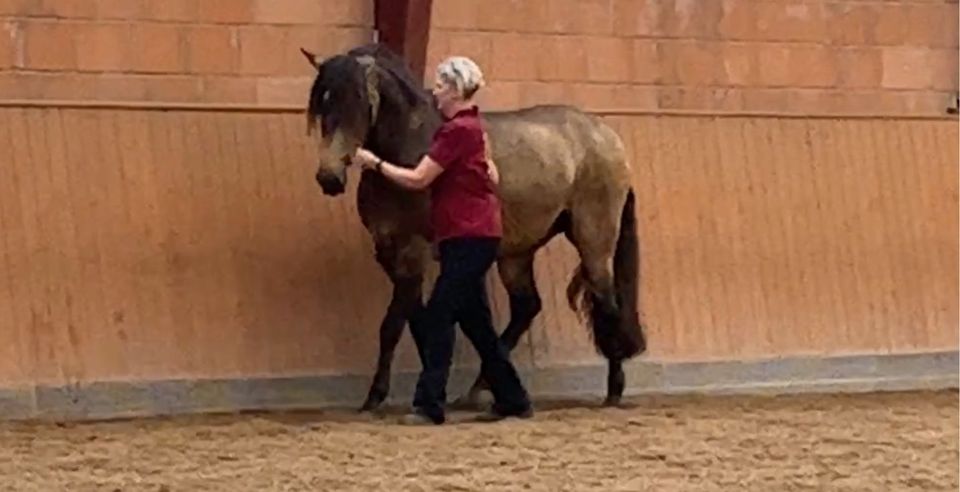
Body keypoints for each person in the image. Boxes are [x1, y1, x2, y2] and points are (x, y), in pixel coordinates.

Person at [351, 56, 532, 425]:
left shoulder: (455, 132)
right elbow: (494, 176)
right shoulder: (475, 129)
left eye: (439, 85)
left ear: (454, 89)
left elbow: (419, 179)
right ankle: (513, 398)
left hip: (467, 236)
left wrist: (374, 164)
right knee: (477, 325)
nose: (434, 92)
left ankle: (429, 404)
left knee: (438, 317)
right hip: (472, 234)